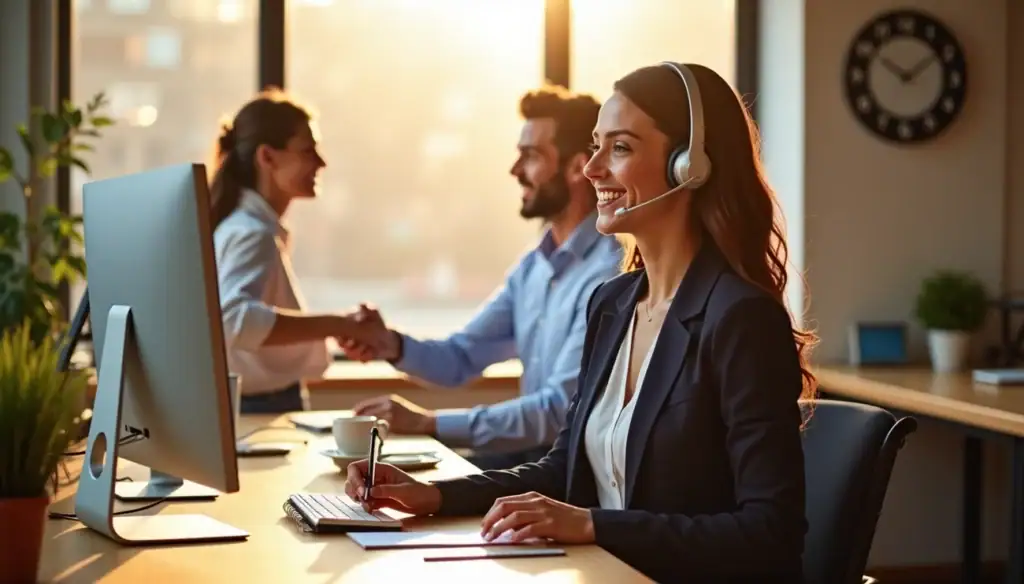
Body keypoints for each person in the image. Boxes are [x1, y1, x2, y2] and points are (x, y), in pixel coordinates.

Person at [342, 63, 818, 583]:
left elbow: (770, 535)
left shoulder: (740, 318)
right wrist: (433, 494)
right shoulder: (612, 304)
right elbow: (562, 470)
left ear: (689, 166)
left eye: (620, 148)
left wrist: (594, 525)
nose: (591, 169)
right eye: (596, 145)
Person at [343, 86, 622, 470]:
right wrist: (390, 344)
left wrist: (428, 423)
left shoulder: (611, 273)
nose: (515, 170)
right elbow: (461, 357)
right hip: (530, 462)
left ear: (578, 167)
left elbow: (560, 409)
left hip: (572, 476)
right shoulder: (532, 269)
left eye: (531, 156)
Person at [211, 89, 374, 414]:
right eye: (308, 150)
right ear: (267, 157)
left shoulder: (241, 225)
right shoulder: (251, 233)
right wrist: (338, 324)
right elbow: (234, 321)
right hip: (259, 407)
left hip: (256, 402)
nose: (322, 162)